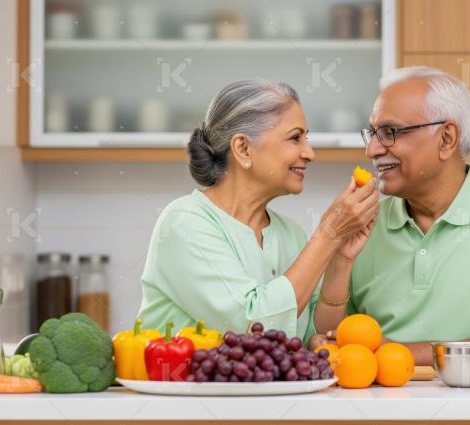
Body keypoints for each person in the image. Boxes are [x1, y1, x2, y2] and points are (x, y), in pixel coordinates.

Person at [311, 67, 470, 365]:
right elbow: (328, 335)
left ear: (446, 138)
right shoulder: (364, 222)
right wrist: (341, 260)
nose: (372, 149)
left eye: (389, 132)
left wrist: (401, 354)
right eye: (373, 133)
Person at [137, 80, 378, 344]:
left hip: (266, 387)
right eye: (295, 138)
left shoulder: (290, 234)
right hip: (189, 385)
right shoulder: (184, 222)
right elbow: (253, 327)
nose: (309, 153)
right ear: (243, 148)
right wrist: (328, 234)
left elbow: (317, 334)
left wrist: (340, 260)